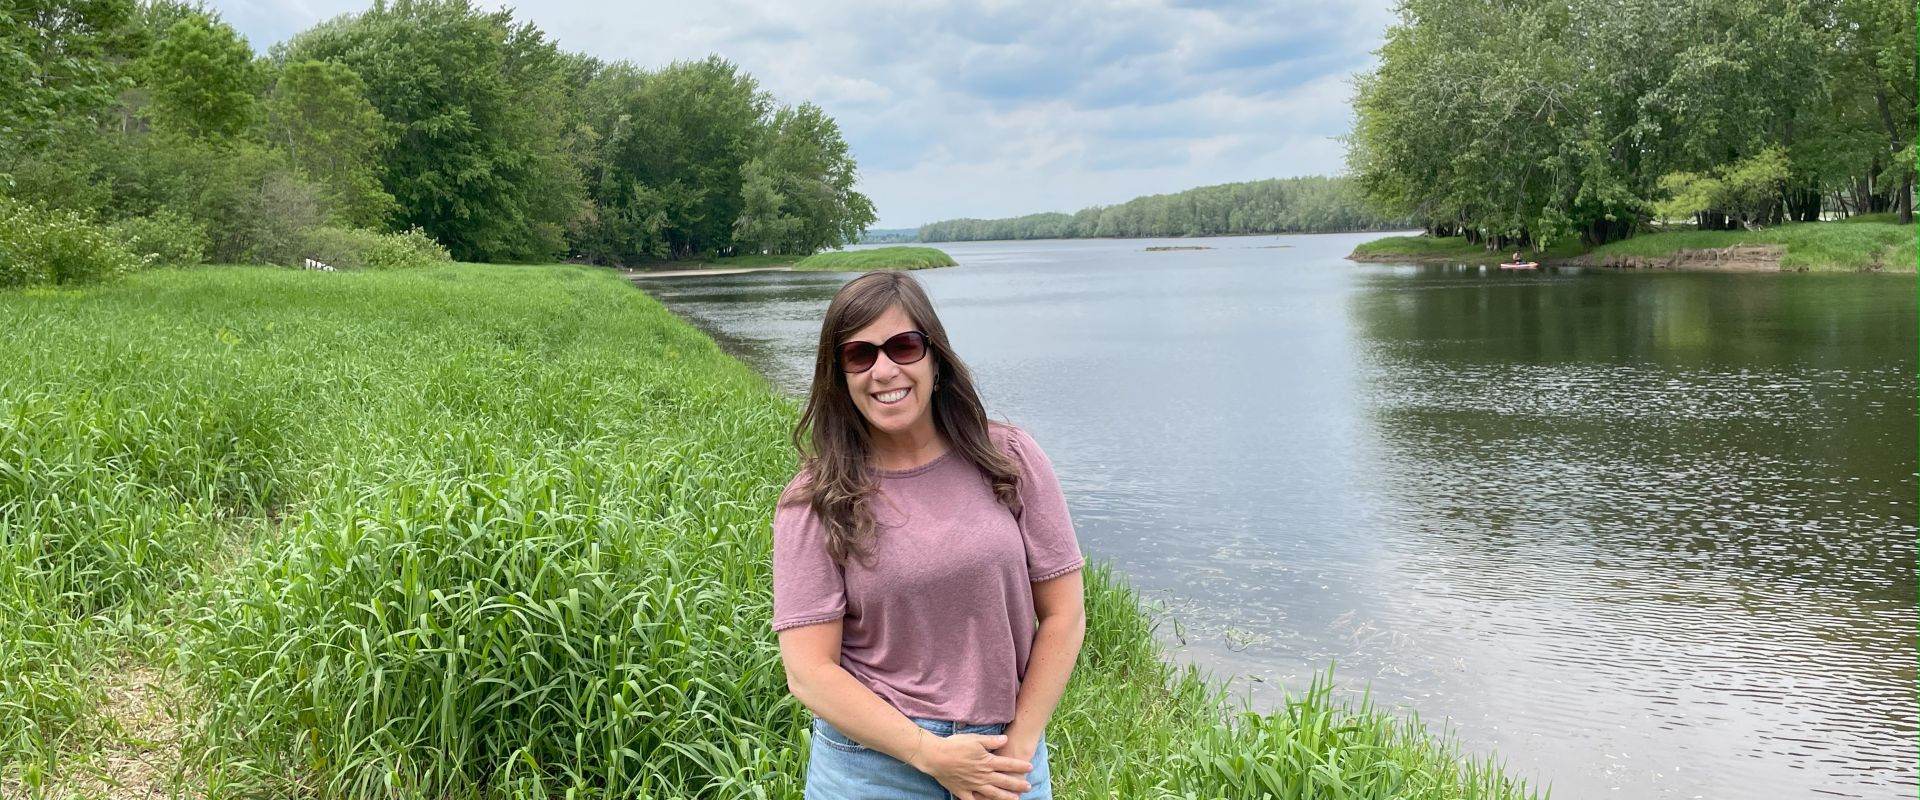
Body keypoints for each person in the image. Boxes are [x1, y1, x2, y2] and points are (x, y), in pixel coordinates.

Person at [771, 271, 1087, 800]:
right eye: (859, 355)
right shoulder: (815, 499)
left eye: (903, 346)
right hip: (874, 768)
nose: (884, 370)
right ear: (839, 376)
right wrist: (928, 753)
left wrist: (1019, 746)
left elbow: (1065, 614)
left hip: (1006, 757)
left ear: (935, 358)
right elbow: (809, 671)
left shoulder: (1008, 460)